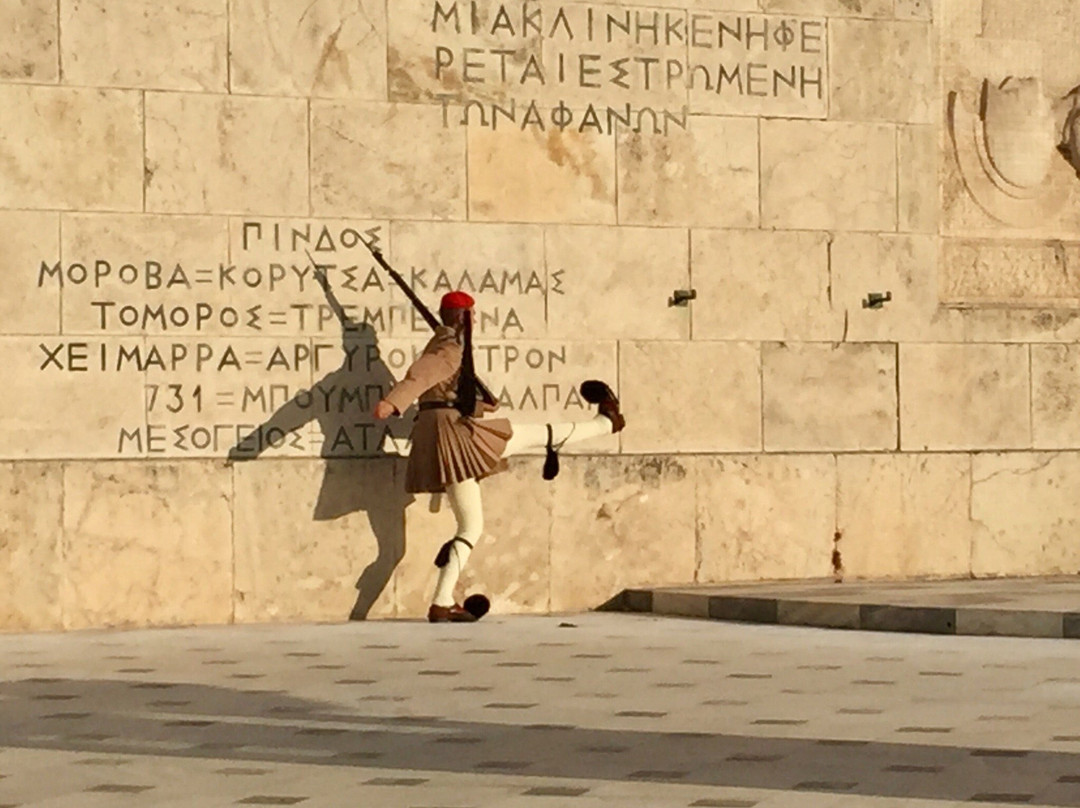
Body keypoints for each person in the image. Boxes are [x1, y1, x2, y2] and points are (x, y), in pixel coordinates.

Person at [373, 290, 625, 623]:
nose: (475, 320)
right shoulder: (447, 349)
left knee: (471, 525)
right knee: (533, 435)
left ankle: (442, 602)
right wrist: (394, 401)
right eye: (472, 315)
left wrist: (480, 403)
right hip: (456, 437)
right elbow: (421, 375)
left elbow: (444, 391)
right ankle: (606, 422)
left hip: (447, 431)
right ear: (463, 318)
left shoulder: (443, 345)